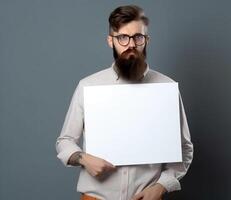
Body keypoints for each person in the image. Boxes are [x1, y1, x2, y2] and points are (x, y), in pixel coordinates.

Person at [56, 5, 193, 200]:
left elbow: (185, 148)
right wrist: (83, 158)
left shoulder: (166, 87)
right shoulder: (88, 86)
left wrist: (162, 185)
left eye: (138, 37)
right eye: (122, 37)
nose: (131, 44)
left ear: (146, 40)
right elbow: (65, 141)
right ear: (110, 41)